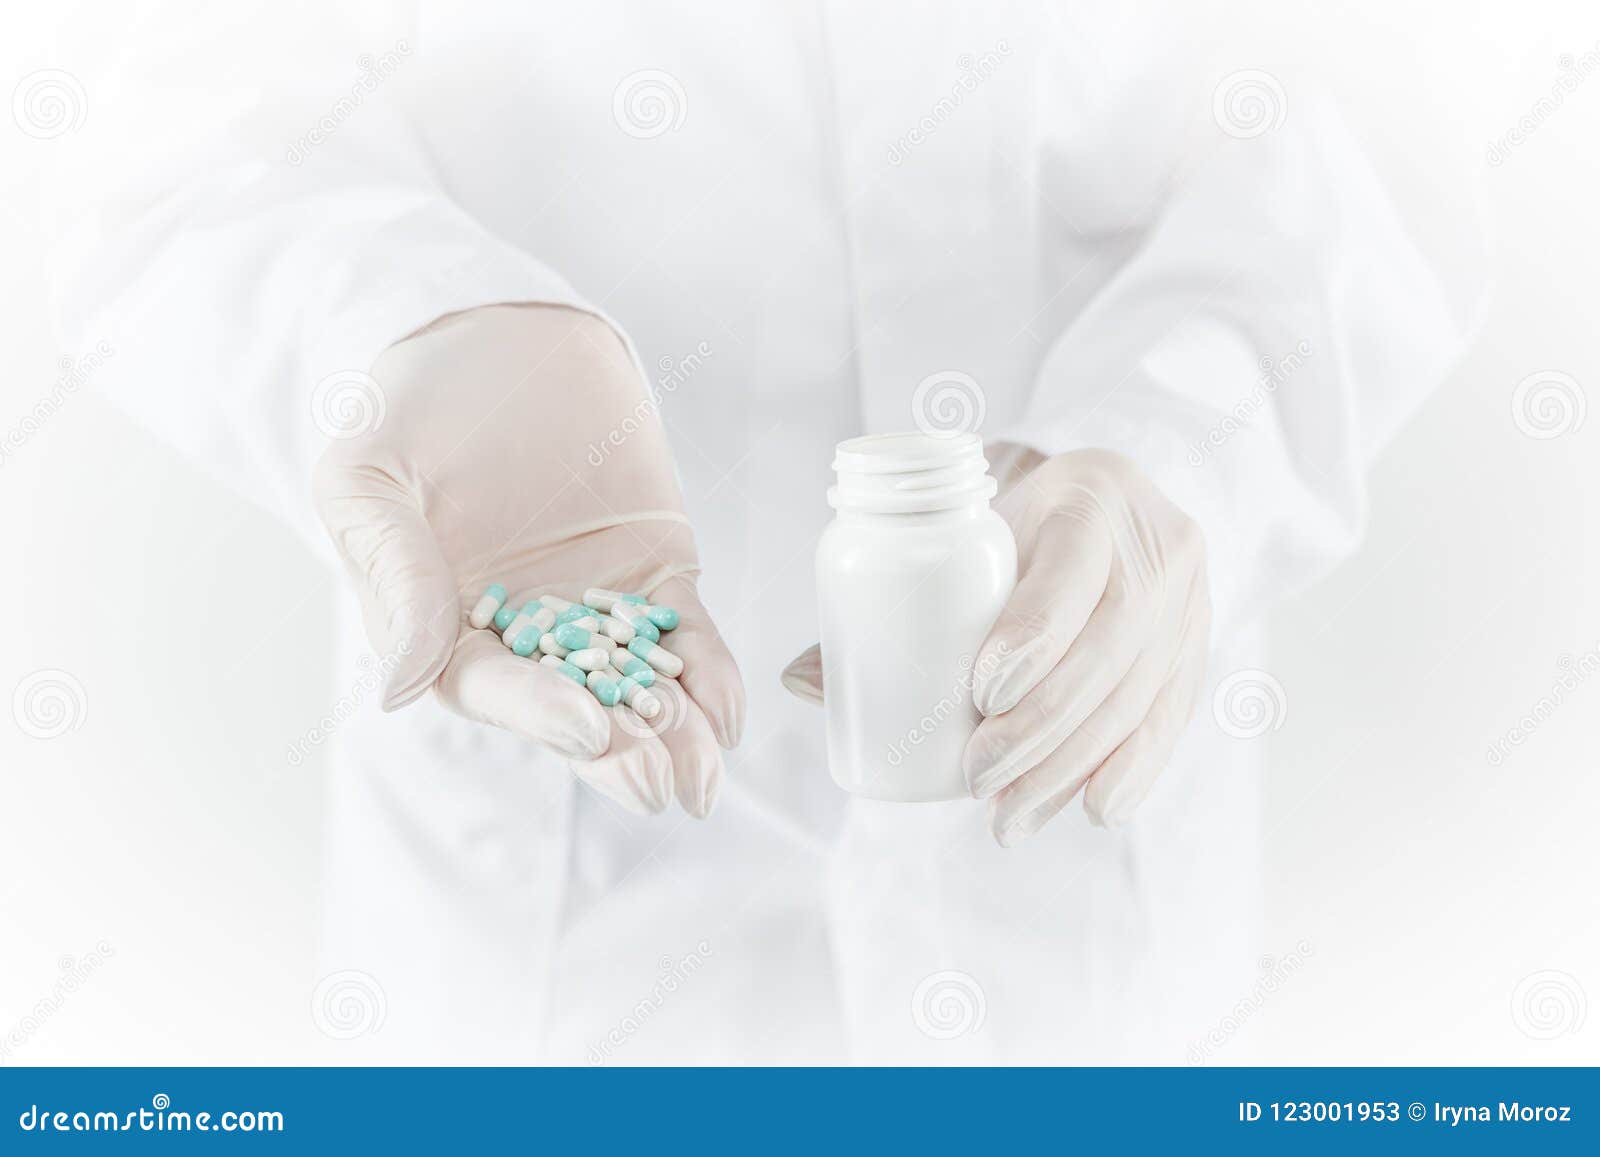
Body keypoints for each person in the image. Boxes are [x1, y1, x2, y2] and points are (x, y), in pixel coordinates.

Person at [41, 1, 1479, 1062]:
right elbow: (163, 122)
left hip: (1080, 936)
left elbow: (1389, 111)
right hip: (550, 921)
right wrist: (402, 326)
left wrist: (1178, 444)